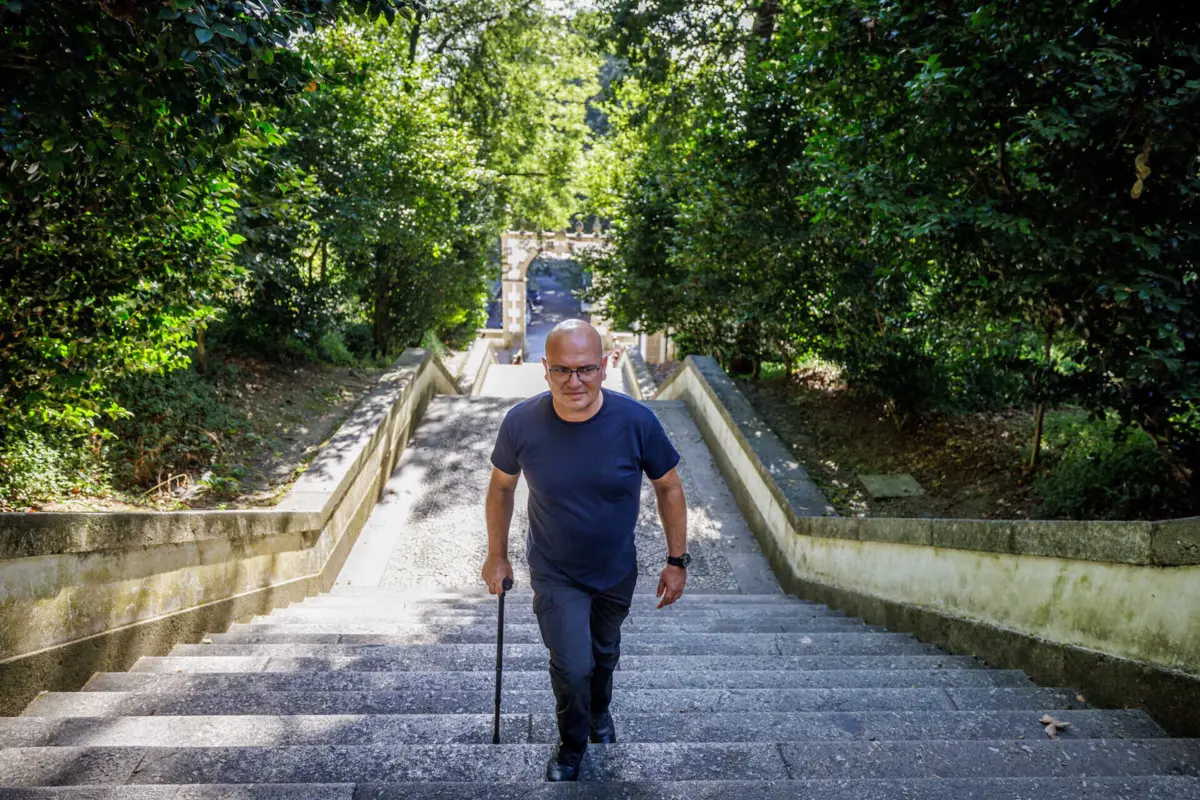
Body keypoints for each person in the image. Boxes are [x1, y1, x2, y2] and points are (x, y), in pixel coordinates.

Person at [481, 318, 690, 782]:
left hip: (617, 570)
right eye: (562, 370)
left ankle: (599, 713)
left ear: (604, 366)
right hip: (555, 571)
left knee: (604, 652)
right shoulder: (521, 423)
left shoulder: (637, 421)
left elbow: (669, 488)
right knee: (573, 665)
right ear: (545, 368)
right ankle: (572, 745)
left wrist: (676, 561)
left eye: (586, 369)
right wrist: (497, 553)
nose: (574, 381)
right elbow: (500, 489)